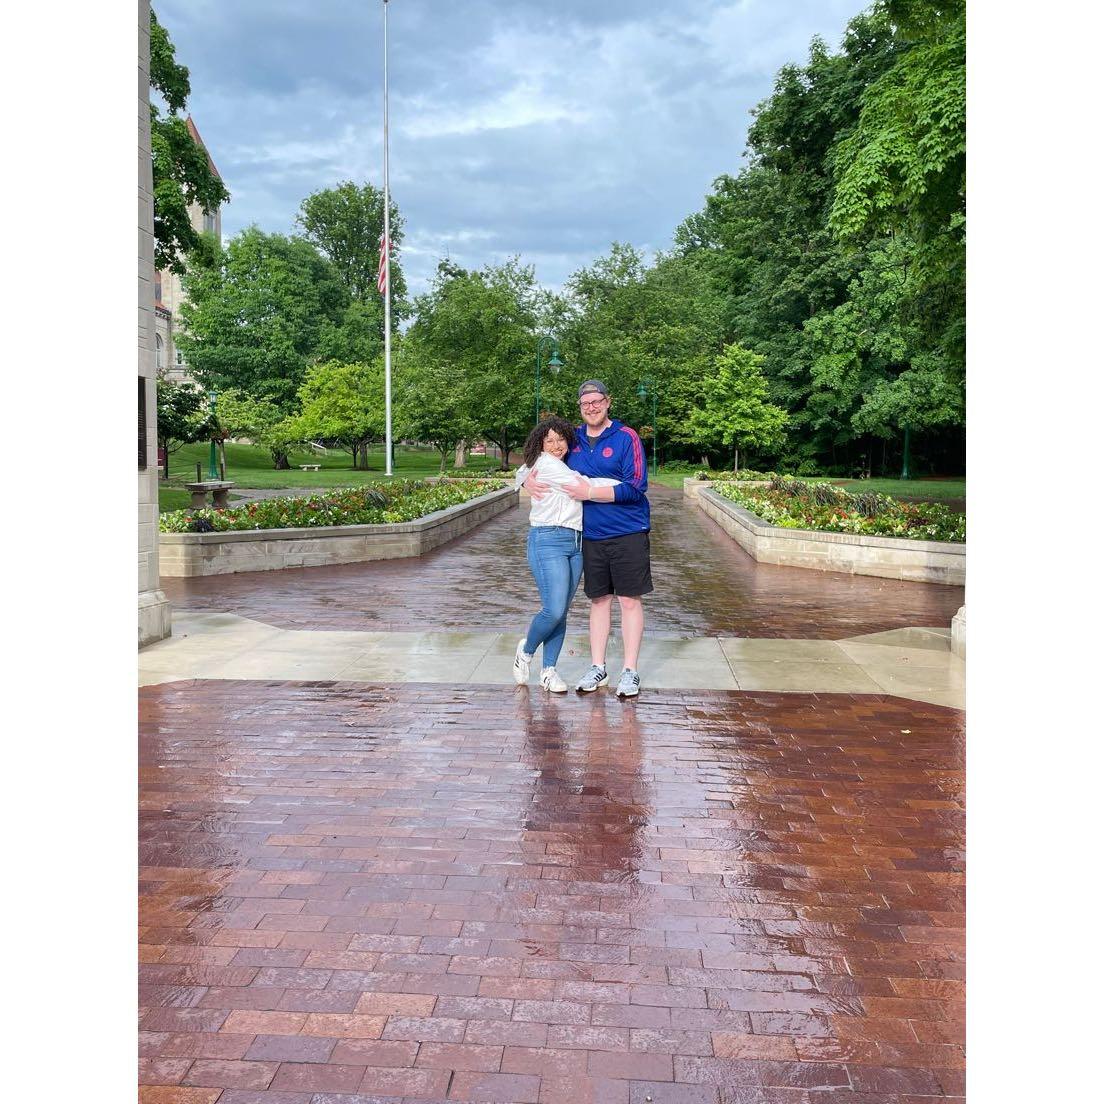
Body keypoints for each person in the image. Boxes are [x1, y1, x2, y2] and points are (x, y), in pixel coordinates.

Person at [525, 379, 652, 698]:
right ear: (580, 408)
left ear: (608, 402)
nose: (592, 408)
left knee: (628, 600)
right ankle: (598, 666)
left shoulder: (627, 437)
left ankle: (630, 671)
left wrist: (591, 492)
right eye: (585, 404)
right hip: (590, 535)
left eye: (597, 402)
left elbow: (637, 486)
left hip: (628, 530)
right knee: (598, 601)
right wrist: (523, 480)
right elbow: (540, 458)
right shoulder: (573, 440)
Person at [512, 417, 619, 692]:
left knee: (561, 613)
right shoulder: (546, 464)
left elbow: (522, 471)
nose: (556, 445)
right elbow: (581, 484)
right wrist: (623, 484)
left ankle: (549, 671)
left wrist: (522, 478)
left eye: (561, 440)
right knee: (554, 608)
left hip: (576, 542)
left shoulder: (561, 463)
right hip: (548, 539)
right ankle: (526, 650)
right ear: (540, 444)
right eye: (549, 441)